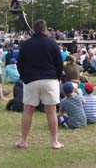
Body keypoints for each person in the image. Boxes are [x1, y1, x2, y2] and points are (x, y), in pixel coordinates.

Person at [15, 19, 64, 150]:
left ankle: (24, 141)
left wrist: (24, 77)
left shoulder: (26, 44)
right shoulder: (52, 43)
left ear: (34, 29)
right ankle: (54, 142)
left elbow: (20, 64)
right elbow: (59, 64)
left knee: (28, 111)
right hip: (50, 79)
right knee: (51, 112)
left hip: (31, 79)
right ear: (45, 29)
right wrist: (57, 78)